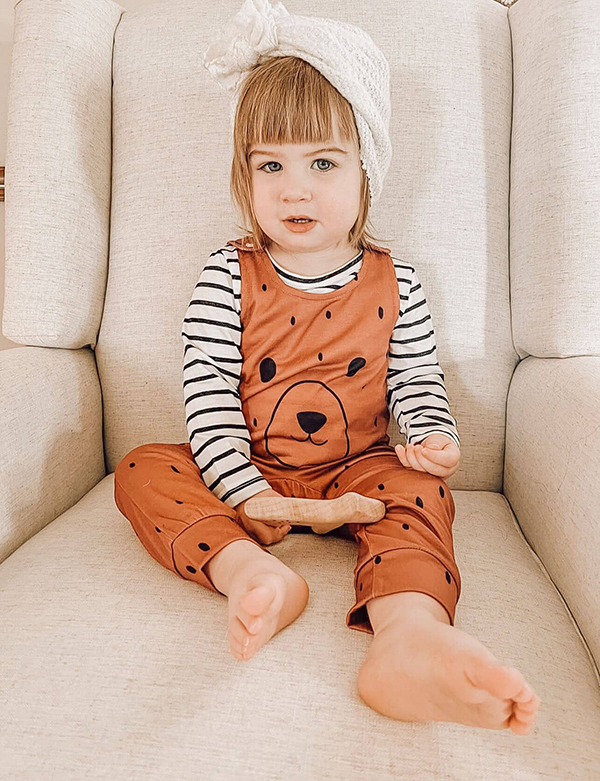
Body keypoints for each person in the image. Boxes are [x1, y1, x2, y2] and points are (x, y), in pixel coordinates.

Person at [113, 0, 540, 735]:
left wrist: (434, 434)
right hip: (252, 474)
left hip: (362, 471)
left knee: (423, 489)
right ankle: (254, 574)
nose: (294, 188)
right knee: (143, 468)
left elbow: (415, 380)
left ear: (366, 168)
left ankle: (406, 637)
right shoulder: (227, 273)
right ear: (244, 176)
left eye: (322, 163)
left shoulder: (396, 280)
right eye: (270, 165)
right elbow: (209, 391)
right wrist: (247, 492)